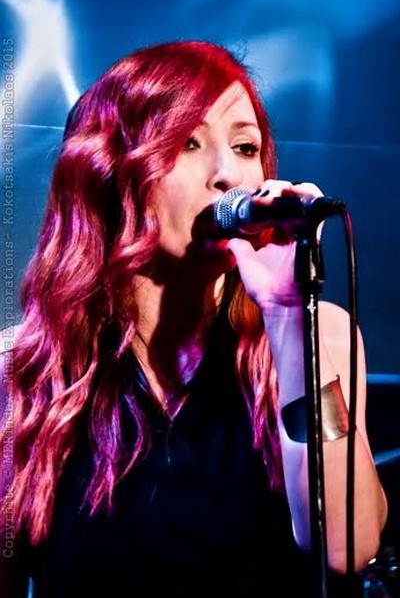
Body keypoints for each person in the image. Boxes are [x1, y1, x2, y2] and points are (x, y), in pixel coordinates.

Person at [0, 40, 387, 597]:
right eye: (187, 142)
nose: (228, 175)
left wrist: (287, 319)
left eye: (246, 147)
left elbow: (348, 546)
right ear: (110, 172)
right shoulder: (28, 371)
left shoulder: (316, 334)